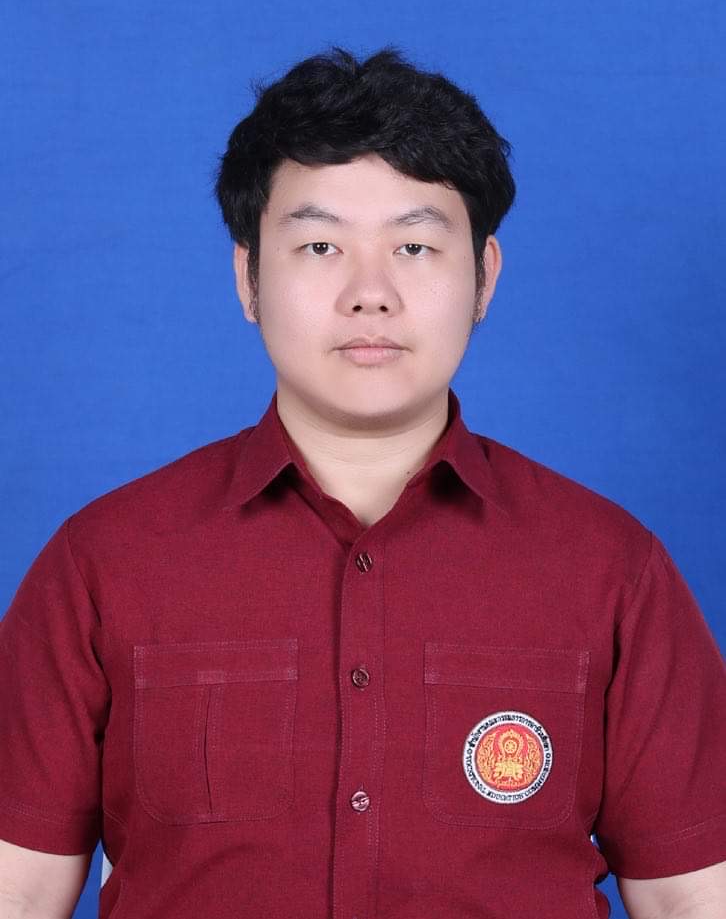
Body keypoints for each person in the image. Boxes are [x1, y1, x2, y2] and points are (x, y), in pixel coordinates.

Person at [0, 46, 724, 919]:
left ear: (484, 277)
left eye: (415, 246)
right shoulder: (103, 562)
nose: (370, 294)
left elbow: (692, 898)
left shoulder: (613, 569)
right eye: (319, 246)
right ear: (248, 278)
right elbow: (18, 891)